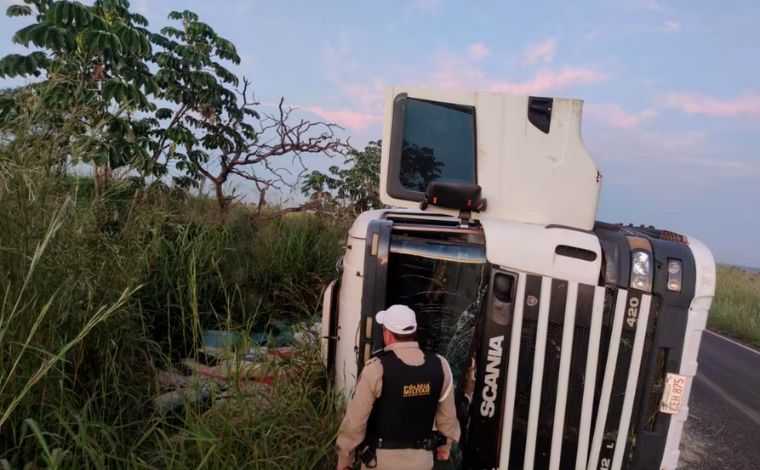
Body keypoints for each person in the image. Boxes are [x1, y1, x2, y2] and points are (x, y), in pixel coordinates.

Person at [336, 304, 461, 470]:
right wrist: (446, 444)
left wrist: (345, 459)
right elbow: (448, 418)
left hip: (380, 464)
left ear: (387, 334)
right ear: (414, 332)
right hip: (422, 463)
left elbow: (355, 423)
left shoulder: (376, 369)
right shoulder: (440, 365)